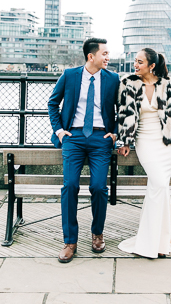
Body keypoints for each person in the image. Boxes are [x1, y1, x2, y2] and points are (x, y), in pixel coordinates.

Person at [116, 47, 171, 258]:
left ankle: (157, 241)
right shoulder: (127, 83)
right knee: (160, 185)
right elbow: (123, 115)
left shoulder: (169, 84)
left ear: (152, 66)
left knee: (159, 187)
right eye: (135, 61)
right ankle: (155, 241)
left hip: (168, 143)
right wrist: (126, 142)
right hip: (144, 140)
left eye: (140, 62)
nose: (135, 65)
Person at [48, 37, 120, 263]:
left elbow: (123, 109)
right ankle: (70, 242)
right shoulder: (70, 75)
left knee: (98, 187)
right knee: (70, 186)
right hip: (74, 137)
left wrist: (115, 132)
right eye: (104, 54)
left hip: (101, 137)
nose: (108, 57)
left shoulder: (113, 79)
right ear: (91, 56)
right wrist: (60, 130)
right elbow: (52, 103)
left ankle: (97, 233)